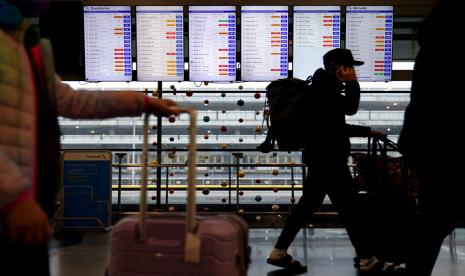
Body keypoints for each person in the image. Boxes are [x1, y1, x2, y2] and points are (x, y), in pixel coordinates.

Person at [0, 1, 180, 275]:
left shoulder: (23, 40)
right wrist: (13, 199)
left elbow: (71, 100)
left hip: (31, 203)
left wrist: (142, 103)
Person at [267, 48, 383, 273]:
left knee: (310, 207)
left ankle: (279, 251)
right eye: (349, 68)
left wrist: (368, 131)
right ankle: (367, 258)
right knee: (350, 210)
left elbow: (335, 127)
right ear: (337, 68)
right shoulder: (324, 91)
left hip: (322, 158)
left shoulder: (320, 89)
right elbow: (350, 109)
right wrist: (353, 83)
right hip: (329, 160)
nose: (352, 72)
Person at [398, 0, 462, 275]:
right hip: (448, 149)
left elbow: (420, 105)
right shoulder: (448, 53)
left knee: (433, 220)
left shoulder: (431, 51)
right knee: (436, 221)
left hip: (431, 150)